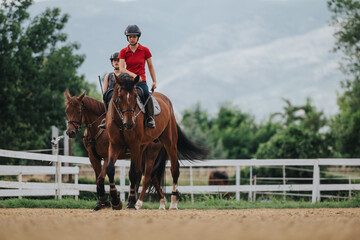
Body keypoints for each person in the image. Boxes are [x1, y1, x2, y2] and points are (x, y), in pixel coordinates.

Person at [119, 24, 157, 128]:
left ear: (138, 37)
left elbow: (150, 66)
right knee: (117, 96)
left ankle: (150, 118)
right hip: (128, 82)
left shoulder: (145, 50)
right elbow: (122, 68)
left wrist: (154, 81)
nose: (132, 39)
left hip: (141, 81)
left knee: (146, 94)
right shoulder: (123, 52)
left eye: (134, 37)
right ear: (127, 38)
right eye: (130, 37)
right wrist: (134, 75)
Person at [98, 52, 121, 129]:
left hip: (122, 96)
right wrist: (103, 99)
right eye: (115, 61)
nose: (117, 62)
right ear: (112, 63)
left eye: (118, 60)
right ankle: (106, 120)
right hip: (110, 98)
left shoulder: (125, 74)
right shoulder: (108, 76)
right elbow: (104, 91)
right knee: (105, 97)